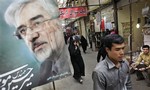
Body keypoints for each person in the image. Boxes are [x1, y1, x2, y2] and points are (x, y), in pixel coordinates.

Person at [4, 0, 71, 86]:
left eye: (37, 23)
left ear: (57, 21)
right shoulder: (43, 70)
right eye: (23, 30)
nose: (30, 37)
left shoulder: (71, 57)